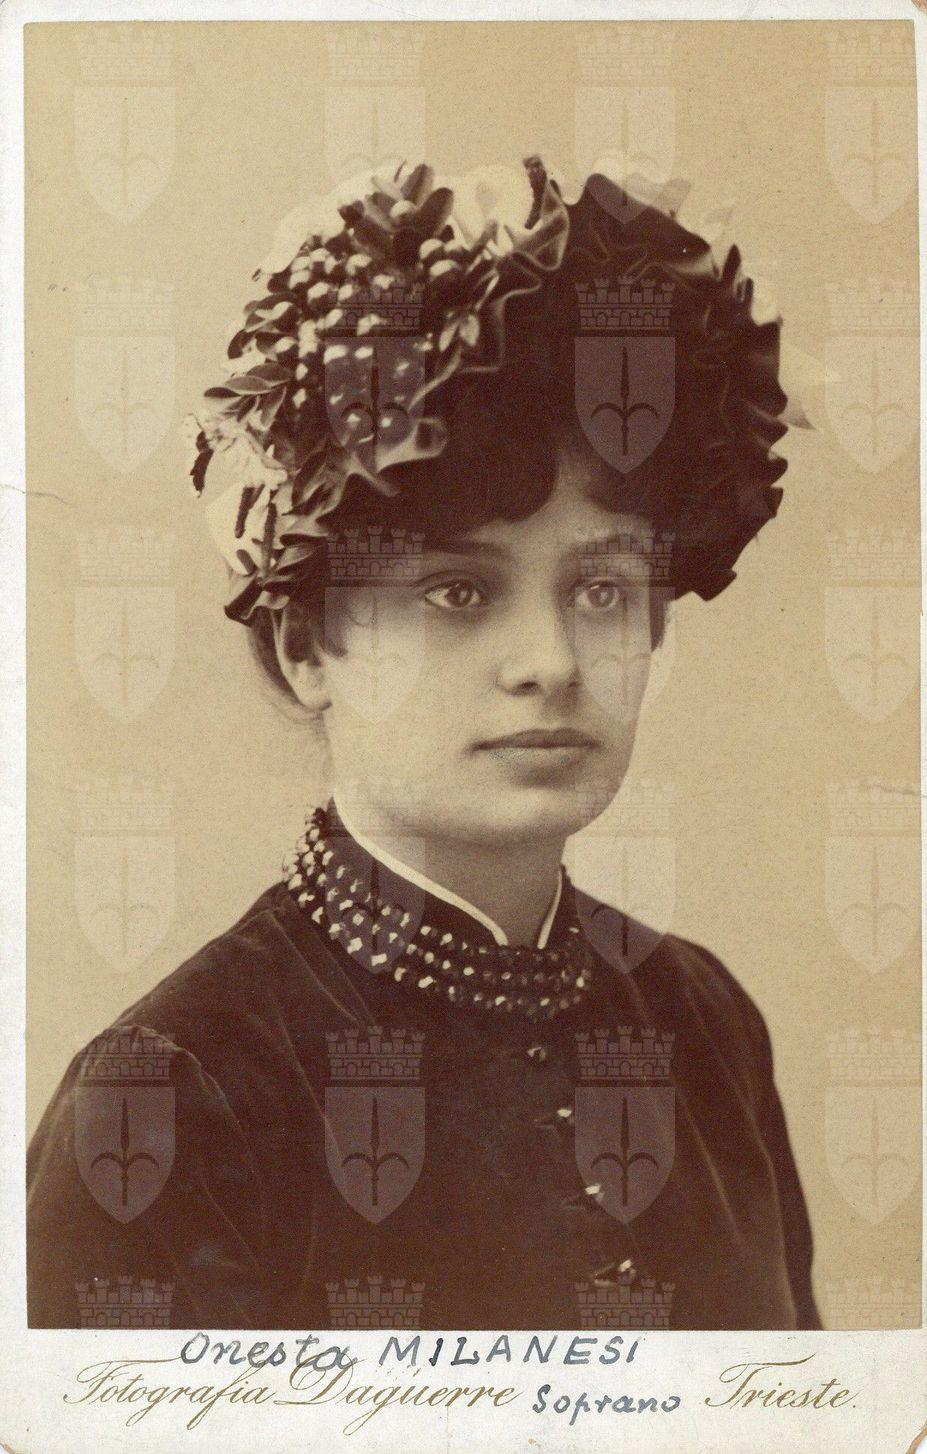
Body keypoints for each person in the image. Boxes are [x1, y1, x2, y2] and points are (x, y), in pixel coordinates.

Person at [27, 158, 821, 1331]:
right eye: (459, 592)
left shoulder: (703, 1023)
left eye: (601, 590)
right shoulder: (172, 1095)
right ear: (307, 646)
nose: (550, 660)